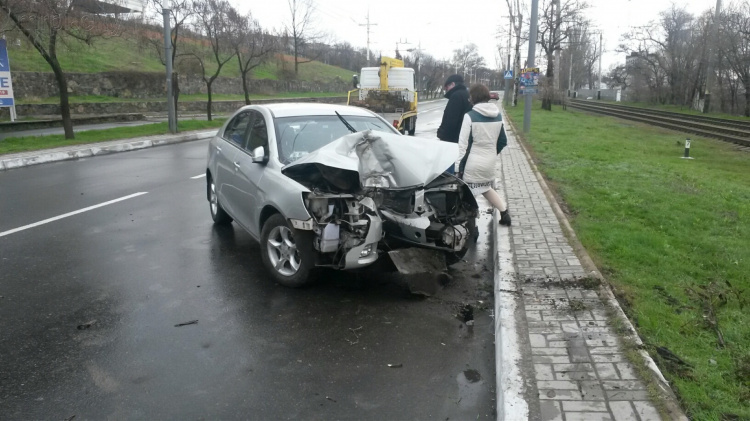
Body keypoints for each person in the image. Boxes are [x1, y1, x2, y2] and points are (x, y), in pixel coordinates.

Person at [455, 83, 511, 226]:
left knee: (468, 194)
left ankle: (472, 226)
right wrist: (492, 153)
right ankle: (504, 214)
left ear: (473, 98)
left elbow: (463, 146)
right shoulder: (498, 115)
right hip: (489, 162)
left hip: (472, 164)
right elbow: (503, 140)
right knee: (486, 188)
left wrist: (457, 168)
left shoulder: (469, 116)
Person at [437, 74, 472, 143]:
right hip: (464, 136)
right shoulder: (467, 94)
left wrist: (443, 136)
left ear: (453, 84)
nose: (447, 90)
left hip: (454, 139)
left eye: (447, 87)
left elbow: (451, 120)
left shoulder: (456, 96)